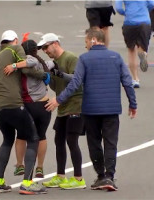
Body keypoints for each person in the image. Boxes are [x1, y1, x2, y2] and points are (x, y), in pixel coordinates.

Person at [46, 28, 137, 191]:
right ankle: (110, 176)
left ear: (94, 40)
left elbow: (75, 83)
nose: (86, 45)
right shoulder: (116, 57)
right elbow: (127, 82)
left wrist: (59, 99)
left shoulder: (85, 59)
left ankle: (100, 176)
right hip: (111, 108)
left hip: (91, 109)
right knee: (110, 143)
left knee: (94, 142)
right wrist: (132, 103)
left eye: (86, 42)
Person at [0, 30, 47, 195]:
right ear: (15, 40)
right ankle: (27, 183)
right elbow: (28, 68)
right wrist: (43, 75)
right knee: (33, 137)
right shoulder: (16, 49)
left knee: (7, 139)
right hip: (12, 102)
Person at [37, 33, 86, 190]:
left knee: (72, 140)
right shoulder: (53, 62)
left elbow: (77, 79)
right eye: (42, 48)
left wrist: (59, 73)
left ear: (55, 43)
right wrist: (48, 77)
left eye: (46, 47)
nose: (45, 50)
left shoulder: (71, 58)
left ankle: (78, 178)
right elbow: (56, 87)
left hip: (75, 103)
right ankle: (60, 176)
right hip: (62, 105)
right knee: (59, 140)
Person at [3, 40, 53, 178]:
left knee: (22, 135)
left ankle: (20, 165)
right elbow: (52, 63)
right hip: (44, 105)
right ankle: (40, 168)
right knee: (41, 136)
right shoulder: (44, 63)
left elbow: (29, 62)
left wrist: (14, 65)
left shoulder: (27, 61)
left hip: (28, 104)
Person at [116, 0, 154, 88]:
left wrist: (125, 13)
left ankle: (135, 79)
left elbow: (118, 8)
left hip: (129, 22)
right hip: (144, 21)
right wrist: (145, 10)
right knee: (142, 46)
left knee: (131, 50)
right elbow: (152, 3)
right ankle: (143, 54)